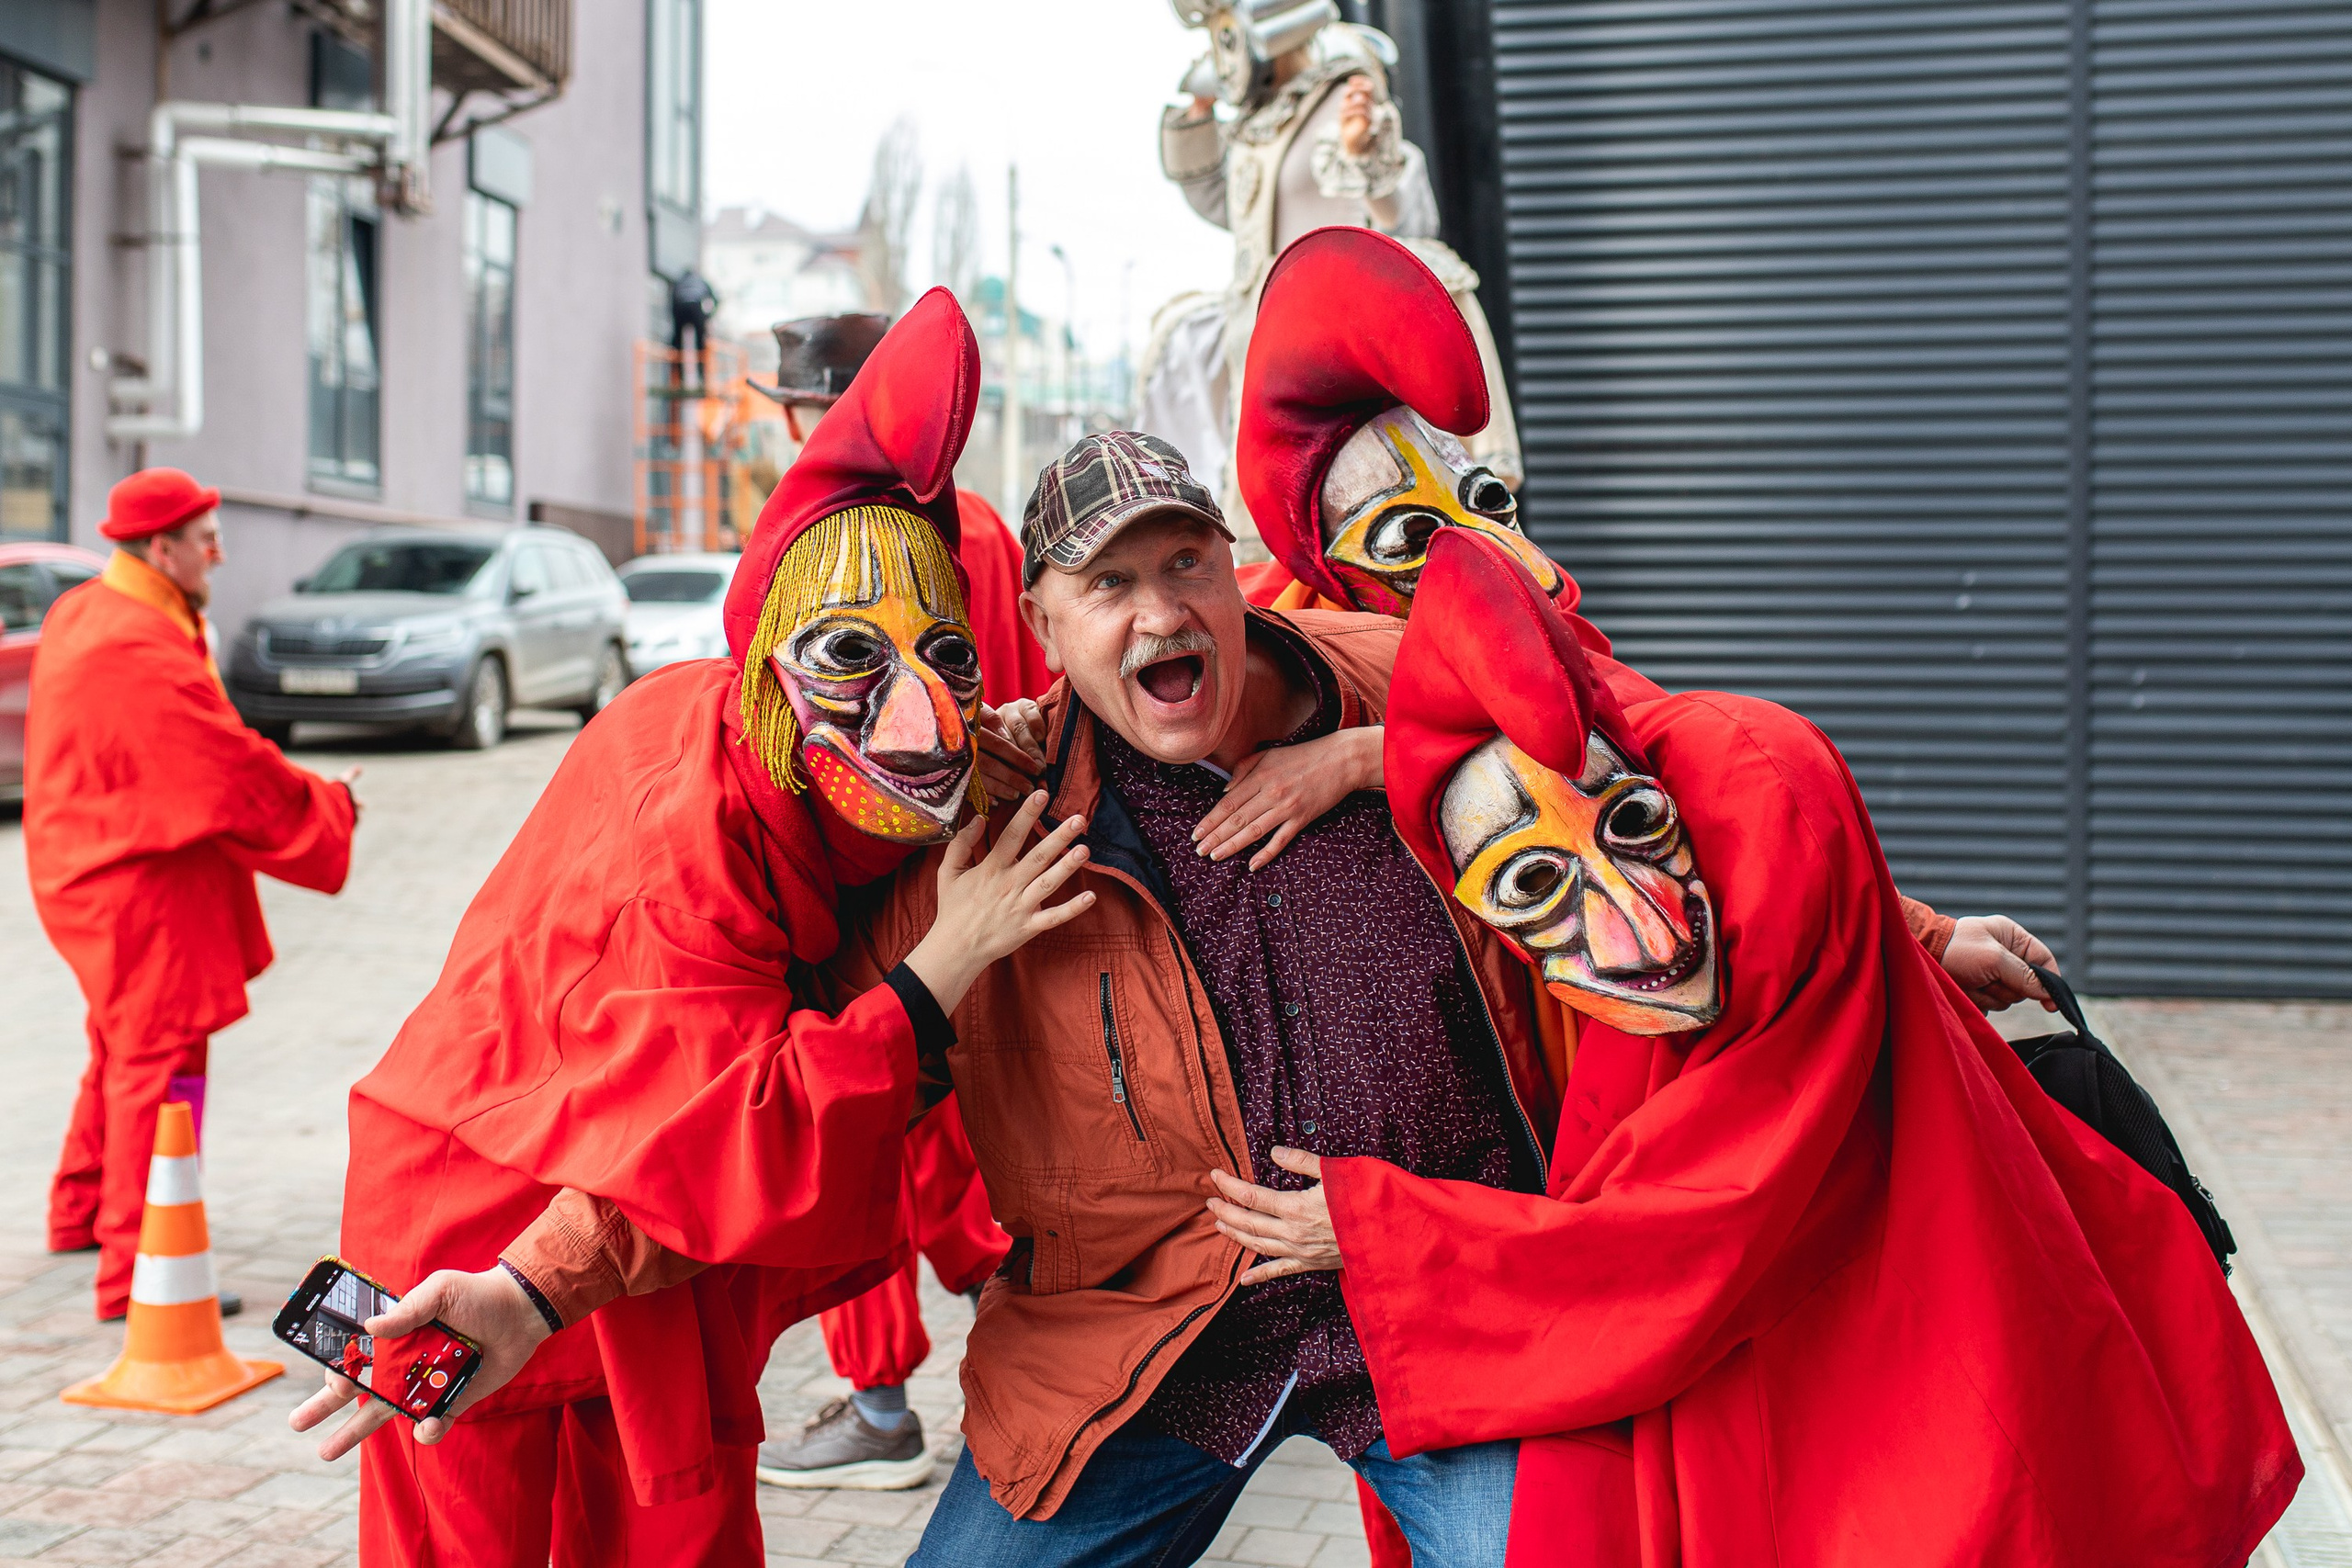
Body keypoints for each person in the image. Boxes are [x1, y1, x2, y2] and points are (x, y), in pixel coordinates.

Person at [1210, 525, 2304, 1565]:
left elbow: (1679, 1226)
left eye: (1640, 833)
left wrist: (1385, 1234)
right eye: (1534, 893)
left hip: (1898, 1400)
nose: (1634, 936)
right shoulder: (1319, 668)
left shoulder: (1737, 805)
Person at [291, 292, 1096, 1566]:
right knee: (461, 1524)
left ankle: (877, 1400)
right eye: (851, 657)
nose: (923, 717)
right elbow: (718, 1133)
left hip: (612, 1238)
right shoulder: (691, 825)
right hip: (464, 1239)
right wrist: (938, 972)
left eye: (947, 658)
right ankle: (878, 1397)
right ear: (777, 656)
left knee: (681, 1517)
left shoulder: (767, 736)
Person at [820, 431, 1544, 1565]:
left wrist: (1378, 754)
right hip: (1152, 1346)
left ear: (1231, 564)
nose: (1159, 613)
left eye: (1184, 563)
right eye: (1107, 583)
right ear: (1042, 623)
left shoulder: (1404, 676)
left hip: (1451, 1314)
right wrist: (534, 1293)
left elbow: (1659, 824)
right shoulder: (995, 819)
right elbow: (800, 1091)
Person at [748, 310, 1052, 1491]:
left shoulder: (836, 540)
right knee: (952, 1147)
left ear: (804, 416)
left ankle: (878, 1402)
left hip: (889, 884)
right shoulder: (968, 523)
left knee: (863, 1135)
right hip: (994, 858)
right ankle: (1031, 1317)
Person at [27, 468, 357, 1322]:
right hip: (131, 880)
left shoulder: (96, 610)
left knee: (119, 1046)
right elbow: (223, 763)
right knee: (160, 1062)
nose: (219, 552)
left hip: (99, 864)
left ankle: (80, 1213)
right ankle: (141, 1270)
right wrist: (328, 803)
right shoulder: (131, 637)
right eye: (205, 537)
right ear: (160, 547)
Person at [1139, 3, 1518, 543]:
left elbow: (1403, 216)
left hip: (1334, 351)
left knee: (1359, 521)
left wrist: (1363, 151)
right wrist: (1199, 114)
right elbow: (1233, 208)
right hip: (1260, 345)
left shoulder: (1344, 88)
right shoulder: (1254, 116)